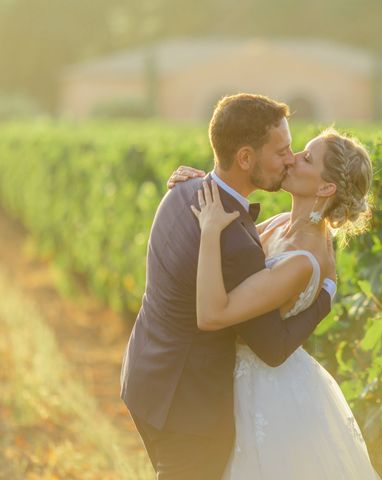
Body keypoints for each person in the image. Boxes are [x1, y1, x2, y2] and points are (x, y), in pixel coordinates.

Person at [120, 93, 337, 480]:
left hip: (145, 378)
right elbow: (271, 346)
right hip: (188, 406)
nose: (290, 159)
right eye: (283, 151)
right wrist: (326, 296)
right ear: (245, 158)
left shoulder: (184, 190)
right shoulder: (234, 243)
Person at [168, 126, 380, 479]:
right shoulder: (284, 222)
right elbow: (230, 253)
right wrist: (195, 189)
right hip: (241, 375)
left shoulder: (303, 259)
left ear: (326, 187)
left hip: (264, 394)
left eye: (307, 158)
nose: (292, 158)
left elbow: (215, 311)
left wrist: (207, 229)